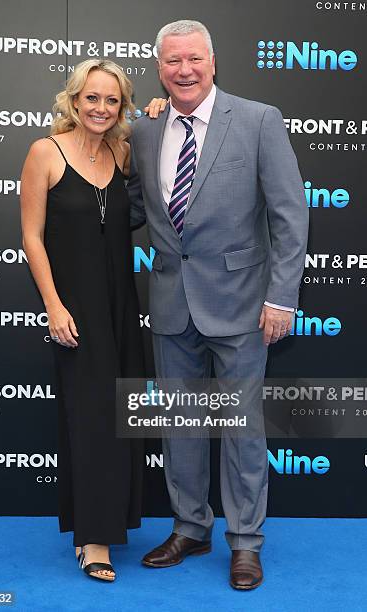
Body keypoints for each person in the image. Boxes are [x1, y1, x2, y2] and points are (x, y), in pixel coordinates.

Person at [128, 20, 309, 590]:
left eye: (193, 59)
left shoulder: (258, 120)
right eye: (172, 61)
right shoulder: (145, 129)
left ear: (212, 61)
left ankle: (246, 541)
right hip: (170, 302)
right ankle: (190, 526)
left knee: (241, 429)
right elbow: (134, 206)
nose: (184, 70)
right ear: (159, 67)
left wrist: (281, 297)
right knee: (180, 425)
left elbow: (289, 216)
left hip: (242, 304)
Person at [20, 59, 165, 582]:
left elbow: (163, 136)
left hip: (122, 305)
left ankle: (114, 521)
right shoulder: (46, 152)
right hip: (75, 309)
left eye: (113, 100)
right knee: (90, 418)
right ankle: (92, 539)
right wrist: (54, 306)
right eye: (92, 98)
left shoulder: (122, 150)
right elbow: (32, 237)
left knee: (122, 413)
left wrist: (158, 109)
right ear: (73, 100)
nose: (101, 109)